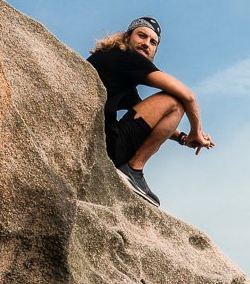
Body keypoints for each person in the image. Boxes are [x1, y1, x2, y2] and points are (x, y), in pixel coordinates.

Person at [86, 15, 215, 206]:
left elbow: (148, 119)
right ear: (127, 37)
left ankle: (131, 170)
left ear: (155, 49)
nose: (146, 44)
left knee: (170, 105)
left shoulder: (113, 59)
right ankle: (133, 170)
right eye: (141, 36)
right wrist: (197, 132)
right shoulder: (127, 58)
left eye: (152, 42)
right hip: (105, 146)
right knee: (174, 101)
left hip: (93, 138)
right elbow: (188, 96)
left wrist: (182, 138)